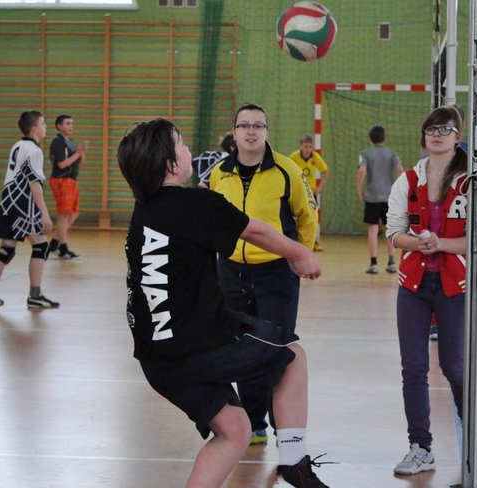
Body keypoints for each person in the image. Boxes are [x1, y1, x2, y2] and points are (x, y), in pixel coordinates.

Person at [117, 117, 331, 488]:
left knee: (234, 429)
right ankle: (295, 463)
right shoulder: (194, 204)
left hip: (158, 359)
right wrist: (299, 252)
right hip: (197, 345)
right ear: (171, 165)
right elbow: (255, 230)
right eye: (182, 145)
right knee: (292, 356)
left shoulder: (144, 211)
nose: (188, 150)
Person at [385, 106, 477, 475]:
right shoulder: (407, 181)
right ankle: (420, 446)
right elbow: (394, 233)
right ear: (423, 136)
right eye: (431, 129)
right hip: (413, 286)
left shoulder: (471, 182)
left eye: (445, 129)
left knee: (454, 367)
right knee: (413, 368)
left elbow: (476, 240)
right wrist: (418, 243)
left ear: (457, 136)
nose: (437, 134)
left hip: (454, 286)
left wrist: (440, 244)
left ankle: (469, 428)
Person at [209, 103, 318, 446]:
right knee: (242, 347)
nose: (251, 131)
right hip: (230, 272)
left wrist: (300, 254)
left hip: (276, 272)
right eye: (244, 125)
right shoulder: (219, 173)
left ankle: (284, 428)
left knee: (277, 348)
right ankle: (253, 423)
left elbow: (307, 215)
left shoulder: (287, 170)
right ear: (234, 132)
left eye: (258, 125)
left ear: (267, 132)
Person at [0, 111, 59, 309]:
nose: (45, 127)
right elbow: (34, 183)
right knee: (41, 246)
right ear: (34, 129)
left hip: (7, 203)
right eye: (43, 124)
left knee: (6, 249)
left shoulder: (17, 146)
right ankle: (35, 296)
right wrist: (44, 213)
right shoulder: (34, 151)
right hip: (22, 204)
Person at [356, 125, 404, 274]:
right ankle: (392, 262)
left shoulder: (365, 153)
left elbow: (362, 170)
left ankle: (374, 264)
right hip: (390, 196)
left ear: (370, 138)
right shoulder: (391, 152)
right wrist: (398, 190)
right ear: (384, 138)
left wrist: (359, 189)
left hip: (372, 196)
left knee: (373, 229)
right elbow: (400, 169)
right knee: (390, 228)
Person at [47, 114, 88, 259]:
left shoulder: (69, 141)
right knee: (64, 214)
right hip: (61, 180)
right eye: (68, 123)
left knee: (74, 213)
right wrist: (78, 153)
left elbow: (78, 161)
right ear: (59, 126)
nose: (71, 126)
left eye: (72, 123)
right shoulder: (58, 142)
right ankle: (63, 248)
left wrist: (81, 152)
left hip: (71, 181)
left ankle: (54, 243)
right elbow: (62, 164)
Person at [289, 134, 329, 252]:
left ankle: (313, 242)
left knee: (312, 218)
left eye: (310, 147)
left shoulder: (315, 157)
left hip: (311, 193)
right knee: (295, 217)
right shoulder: (294, 156)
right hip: (297, 192)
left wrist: (320, 186)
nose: (307, 149)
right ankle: (294, 240)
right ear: (301, 146)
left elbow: (325, 171)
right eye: (305, 146)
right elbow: (286, 169)